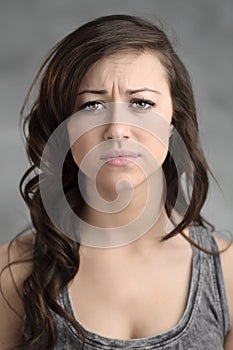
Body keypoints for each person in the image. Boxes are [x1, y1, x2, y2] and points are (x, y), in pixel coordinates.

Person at [0, 14, 232, 350]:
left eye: (142, 103)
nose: (117, 128)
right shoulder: (13, 272)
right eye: (92, 104)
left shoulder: (227, 275)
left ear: (173, 121)